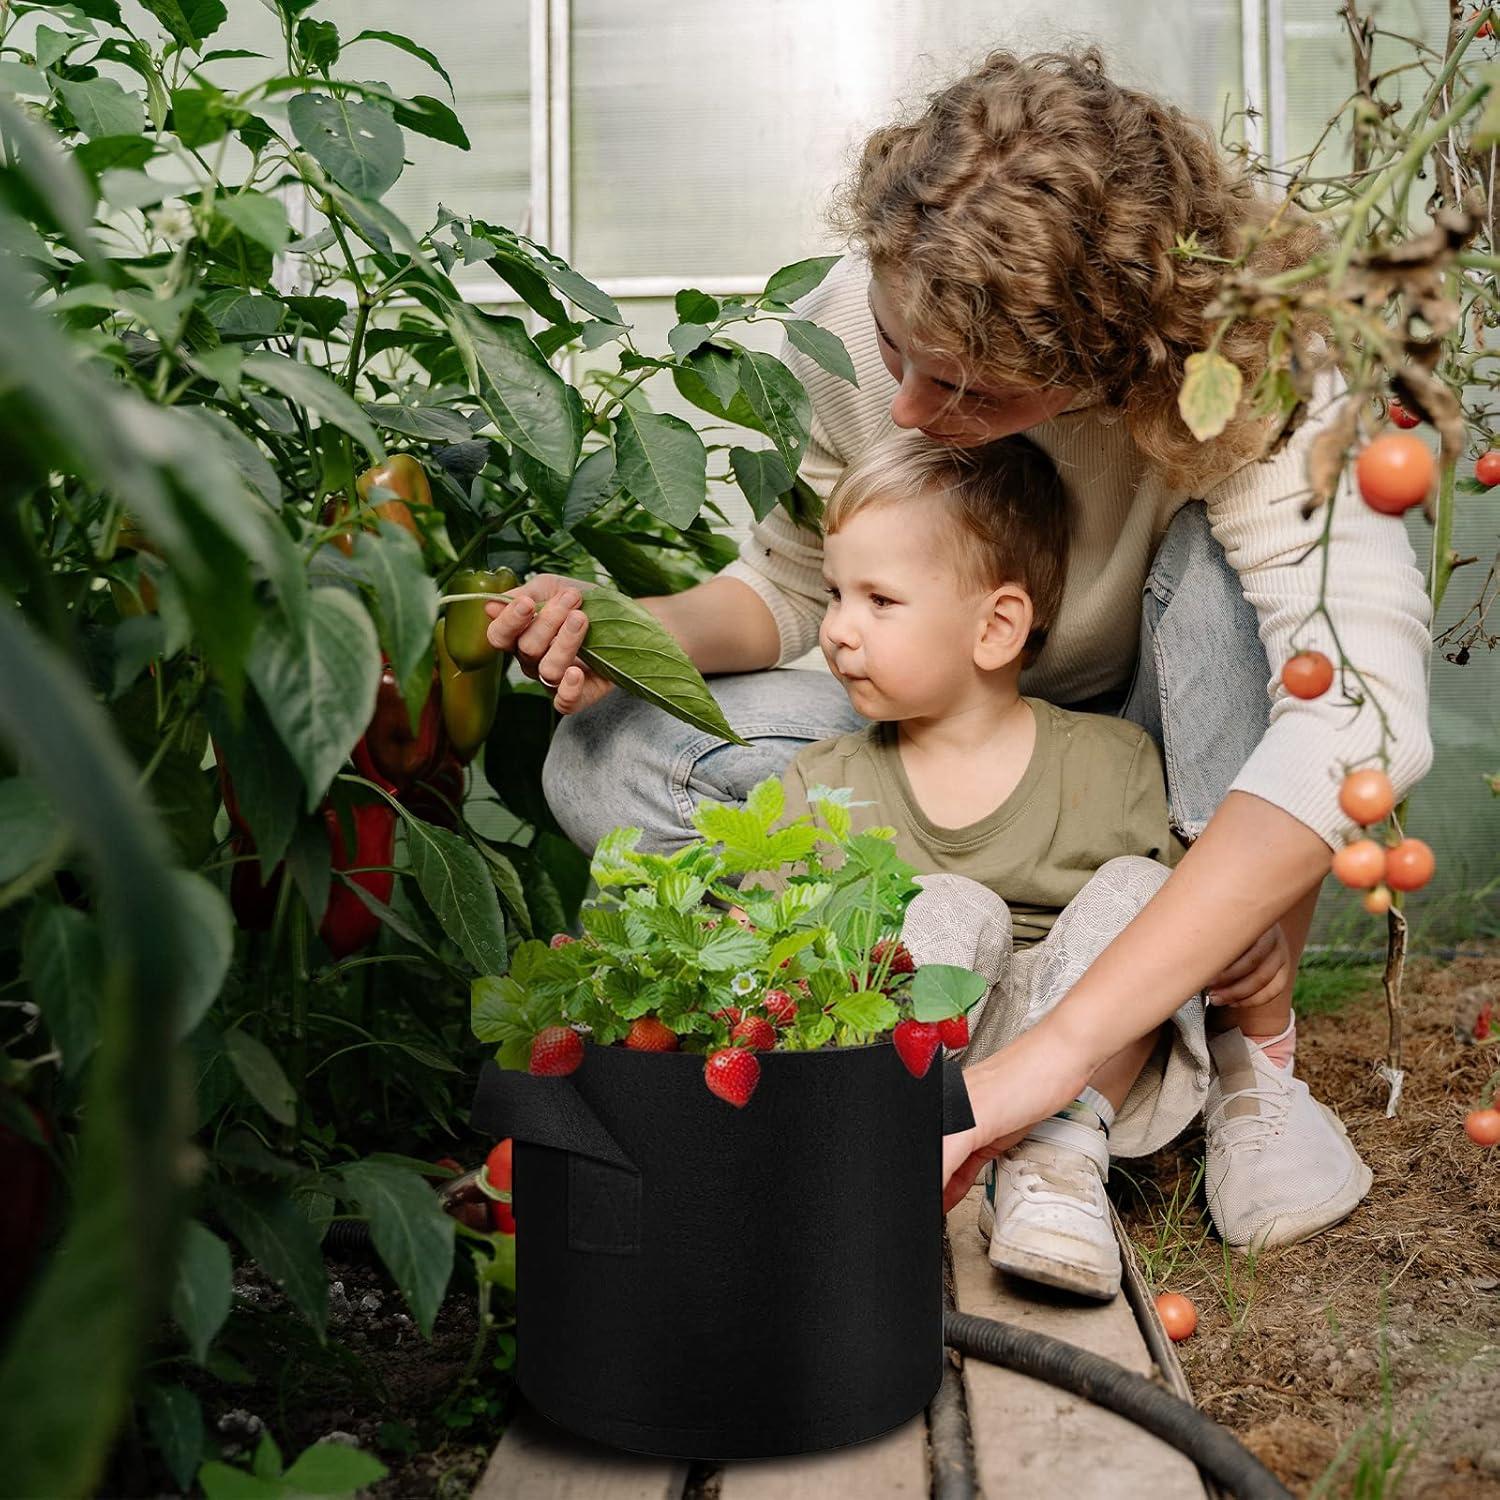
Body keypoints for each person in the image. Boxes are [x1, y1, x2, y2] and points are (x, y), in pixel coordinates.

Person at [487, 49, 1432, 1252]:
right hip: (941, 726)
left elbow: (1363, 712)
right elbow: (790, 586)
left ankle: (1240, 1053)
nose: (917, 417)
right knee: (610, 752)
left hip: (1155, 761)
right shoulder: (851, 321)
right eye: (899, 356)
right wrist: (631, 634)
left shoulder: (1254, 368)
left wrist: (1036, 1074)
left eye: (978, 395)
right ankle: (950, 982)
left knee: (1250, 610)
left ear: (1113, 364)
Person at [756, 428, 1303, 1299]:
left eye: (879, 601)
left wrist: (1252, 966)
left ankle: (1056, 1167)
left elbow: (1182, 951)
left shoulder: (1113, 763)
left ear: (997, 625)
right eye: (832, 594)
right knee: (946, 905)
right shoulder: (821, 786)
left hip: (1078, 1063)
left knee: (1145, 891)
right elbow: (767, 961)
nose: (836, 631)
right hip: (914, 1070)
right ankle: (880, 1161)